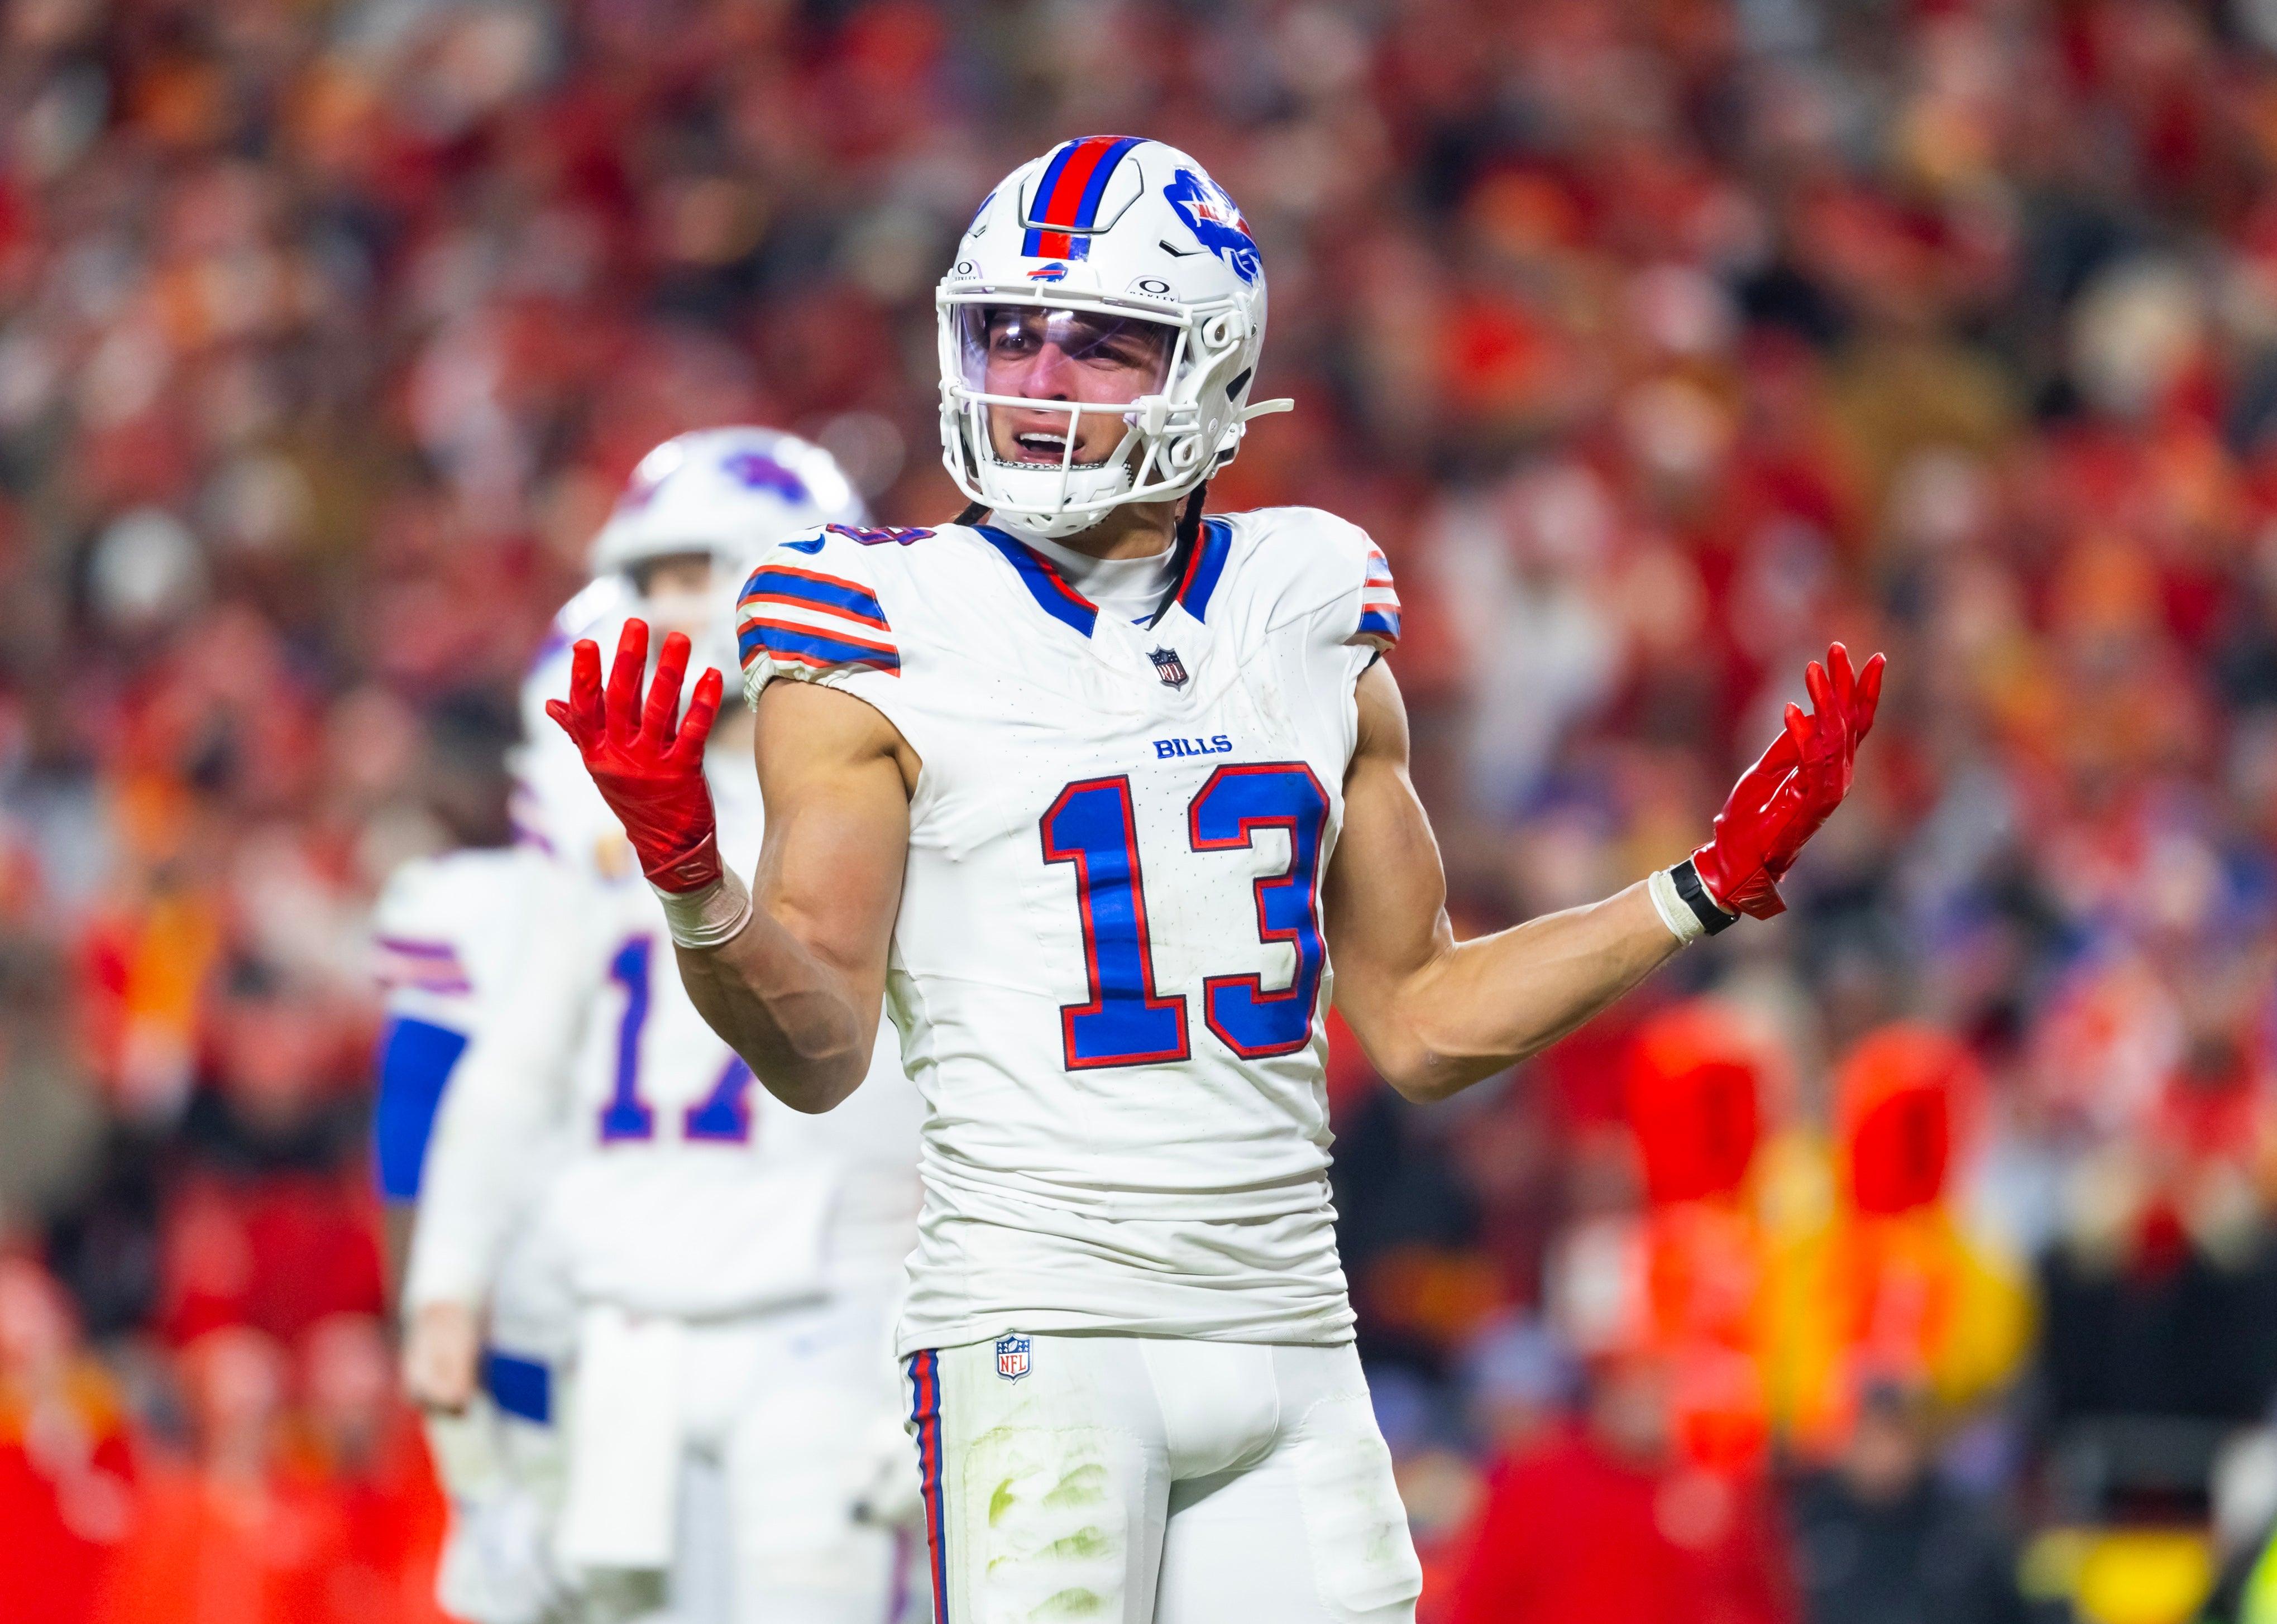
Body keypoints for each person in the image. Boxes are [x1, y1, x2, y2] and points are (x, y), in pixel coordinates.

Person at [549, 137, 1884, 1623]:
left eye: (1097, 343)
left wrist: (1694, 886)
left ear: (1210, 369)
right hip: (1038, 1328)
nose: (1037, 379)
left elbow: (1425, 1018)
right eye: (1008, 331)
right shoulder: (870, 612)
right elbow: (815, 1047)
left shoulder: (1308, 596)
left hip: (1287, 1328)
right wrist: (694, 880)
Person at [401, 428, 929, 1624]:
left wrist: (938, 1349)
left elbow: (943, 1097)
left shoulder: (880, 803)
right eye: (650, 577)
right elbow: (518, 1074)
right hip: (629, 1315)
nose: (656, 606)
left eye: (690, 571)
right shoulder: (600, 816)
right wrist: (447, 1293)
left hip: (827, 1309)